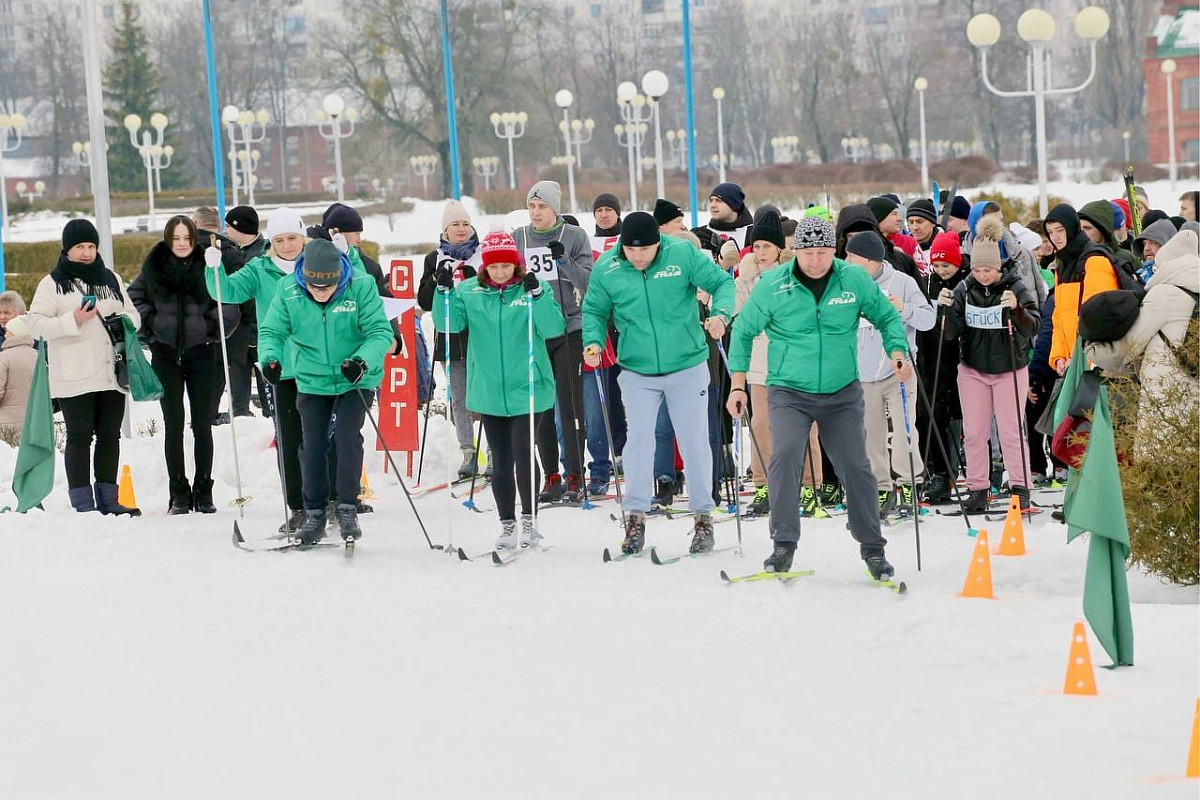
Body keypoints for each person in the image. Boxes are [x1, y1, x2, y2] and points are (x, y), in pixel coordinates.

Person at [727, 216, 910, 578]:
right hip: (789, 390)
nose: (816, 260)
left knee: (856, 467)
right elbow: (744, 331)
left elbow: (887, 318)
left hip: (841, 392)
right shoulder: (773, 285)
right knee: (785, 456)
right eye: (809, 252)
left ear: (834, 250)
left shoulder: (853, 279)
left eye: (824, 252)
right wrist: (737, 384)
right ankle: (783, 544)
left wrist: (897, 352)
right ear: (796, 250)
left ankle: (872, 548)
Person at [582, 212, 735, 555]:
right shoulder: (608, 266)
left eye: (646, 250)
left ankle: (703, 518)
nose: (638, 257)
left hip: (687, 363)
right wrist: (592, 341)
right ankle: (635, 518)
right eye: (632, 251)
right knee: (638, 441)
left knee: (694, 440)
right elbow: (593, 310)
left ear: (658, 243)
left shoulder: (681, 254)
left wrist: (721, 314)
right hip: (637, 368)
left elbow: (723, 283)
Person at [433, 230, 565, 549]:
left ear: (516, 265)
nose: (501, 272)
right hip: (490, 390)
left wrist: (539, 297)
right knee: (501, 460)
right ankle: (507, 525)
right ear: (485, 267)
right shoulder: (471, 292)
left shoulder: (532, 289)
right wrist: (442, 292)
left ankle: (530, 522)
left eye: (506, 266)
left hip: (528, 388)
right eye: (494, 267)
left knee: (523, 450)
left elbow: (553, 328)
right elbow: (448, 324)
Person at [257, 239, 394, 544]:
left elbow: (380, 331)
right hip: (312, 378)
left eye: (327, 287)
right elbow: (271, 331)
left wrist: (362, 360)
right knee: (312, 445)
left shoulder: (361, 285)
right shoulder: (288, 290)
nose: (321, 293)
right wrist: (270, 359)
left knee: (347, 436)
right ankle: (314, 512)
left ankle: (346, 506)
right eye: (314, 287)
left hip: (354, 377)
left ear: (338, 277)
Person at [22, 219, 141, 514]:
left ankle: (110, 500)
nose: (87, 252)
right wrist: (72, 320)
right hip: (74, 375)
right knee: (79, 437)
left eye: (91, 246)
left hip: (111, 372)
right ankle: (83, 503)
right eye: (80, 247)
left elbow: (133, 315)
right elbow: (34, 324)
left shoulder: (110, 278)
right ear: (67, 249)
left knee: (110, 435)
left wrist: (121, 321)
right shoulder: (52, 284)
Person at [205, 207, 309, 531]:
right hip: (280, 366)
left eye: (293, 237)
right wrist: (214, 270)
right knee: (289, 441)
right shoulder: (260, 269)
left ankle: (329, 500)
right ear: (272, 241)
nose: (288, 245)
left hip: (320, 365)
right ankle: (298, 508)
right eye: (280, 239)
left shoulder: (317, 266)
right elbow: (227, 292)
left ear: (302, 237)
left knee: (322, 440)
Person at [129, 215, 238, 514]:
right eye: (176, 239)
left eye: (187, 239)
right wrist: (152, 323)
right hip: (166, 354)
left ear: (194, 239)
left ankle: (204, 490)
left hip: (202, 353)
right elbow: (134, 299)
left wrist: (211, 328)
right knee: (173, 424)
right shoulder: (154, 266)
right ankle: (178, 492)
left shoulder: (209, 265)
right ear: (168, 239)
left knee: (202, 423)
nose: (181, 244)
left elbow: (228, 301)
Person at [938, 216, 1040, 512]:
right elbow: (950, 334)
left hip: (1010, 368)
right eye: (978, 269)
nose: (983, 275)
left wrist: (1017, 309)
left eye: (989, 270)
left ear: (998, 267)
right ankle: (978, 489)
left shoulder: (1015, 286)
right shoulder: (964, 290)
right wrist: (945, 311)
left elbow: (1033, 326)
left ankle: (1020, 487)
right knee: (974, 432)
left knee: (1010, 431)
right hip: (972, 370)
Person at [733, 206, 823, 517]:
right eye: (756, 246)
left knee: (803, 426)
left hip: (793, 361)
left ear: (779, 249)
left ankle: (811, 486)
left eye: (767, 246)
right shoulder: (745, 279)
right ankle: (763, 486)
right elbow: (741, 318)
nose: (761, 253)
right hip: (759, 363)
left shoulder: (794, 276)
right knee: (760, 425)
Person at [512, 180, 593, 504]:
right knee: (540, 406)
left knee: (570, 402)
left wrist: (564, 262)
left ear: (555, 208)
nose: (536, 213)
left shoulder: (573, 236)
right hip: (533, 330)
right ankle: (552, 475)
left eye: (542, 207)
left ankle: (575, 473)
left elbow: (589, 281)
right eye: (532, 206)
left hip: (569, 328)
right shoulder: (519, 237)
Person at [846, 231, 935, 516]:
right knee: (871, 435)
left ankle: (909, 483)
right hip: (863, 375)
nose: (846, 261)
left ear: (871, 261)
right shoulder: (848, 285)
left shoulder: (902, 282)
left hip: (898, 371)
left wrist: (904, 309)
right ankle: (882, 489)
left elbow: (928, 319)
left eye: (852, 257)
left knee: (904, 432)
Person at [417, 200, 481, 479]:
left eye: (465, 223)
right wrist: (435, 281)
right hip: (450, 336)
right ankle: (468, 451)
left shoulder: (481, 254)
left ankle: (493, 453)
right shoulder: (434, 258)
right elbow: (424, 301)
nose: (461, 229)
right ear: (445, 228)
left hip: (481, 334)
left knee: (486, 396)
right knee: (459, 397)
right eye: (455, 224)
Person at [917, 232, 967, 503]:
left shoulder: (967, 282)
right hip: (934, 359)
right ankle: (940, 473)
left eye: (946, 265)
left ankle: (976, 469)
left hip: (962, 358)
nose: (941, 271)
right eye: (936, 266)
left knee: (960, 417)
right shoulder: (928, 285)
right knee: (930, 415)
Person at [1044, 203, 1121, 375]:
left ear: (1071, 228)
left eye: (1060, 230)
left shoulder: (1094, 260)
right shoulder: (1063, 265)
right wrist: (1059, 356)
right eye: (1050, 232)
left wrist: (1081, 358)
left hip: (1096, 364)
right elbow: (1059, 320)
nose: (1054, 237)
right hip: (1073, 363)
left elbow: (1096, 318)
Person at [217, 205, 268, 420]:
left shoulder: (266, 253)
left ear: (242, 228)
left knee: (269, 388)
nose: (224, 230)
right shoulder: (226, 252)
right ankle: (241, 421)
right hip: (238, 333)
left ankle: (272, 422)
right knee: (238, 389)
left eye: (228, 226)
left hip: (263, 331)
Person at [963, 200, 1048, 305]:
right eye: (993, 223)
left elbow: (1039, 293)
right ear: (977, 224)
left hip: (1025, 318)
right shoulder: (964, 259)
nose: (1000, 227)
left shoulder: (1021, 254)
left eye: (1001, 221)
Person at [0, 291, 35, 439]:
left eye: (7, 312)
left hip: (7, 421)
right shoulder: (36, 350)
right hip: (31, 420)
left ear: (21, 314)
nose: (2, 316)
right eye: (0, 312)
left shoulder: (37, 340)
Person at [693, 182, 753, 266]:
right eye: (711, 200)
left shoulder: (752, 233)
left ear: (734, 204)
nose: (712, 205)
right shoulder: (702, 233)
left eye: (718, 200)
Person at [1132, 218, 1178, 285]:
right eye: (1144, 243)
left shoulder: (1176, 275)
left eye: (1153, 242)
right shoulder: (1139, 275)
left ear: (1167, 244)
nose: (1146, 248)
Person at [905, 198, 941, 275]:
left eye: (920, 222)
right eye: (911, 222)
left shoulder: (947, 245)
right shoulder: (904, 247)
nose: (915, 227)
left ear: (933, 223)